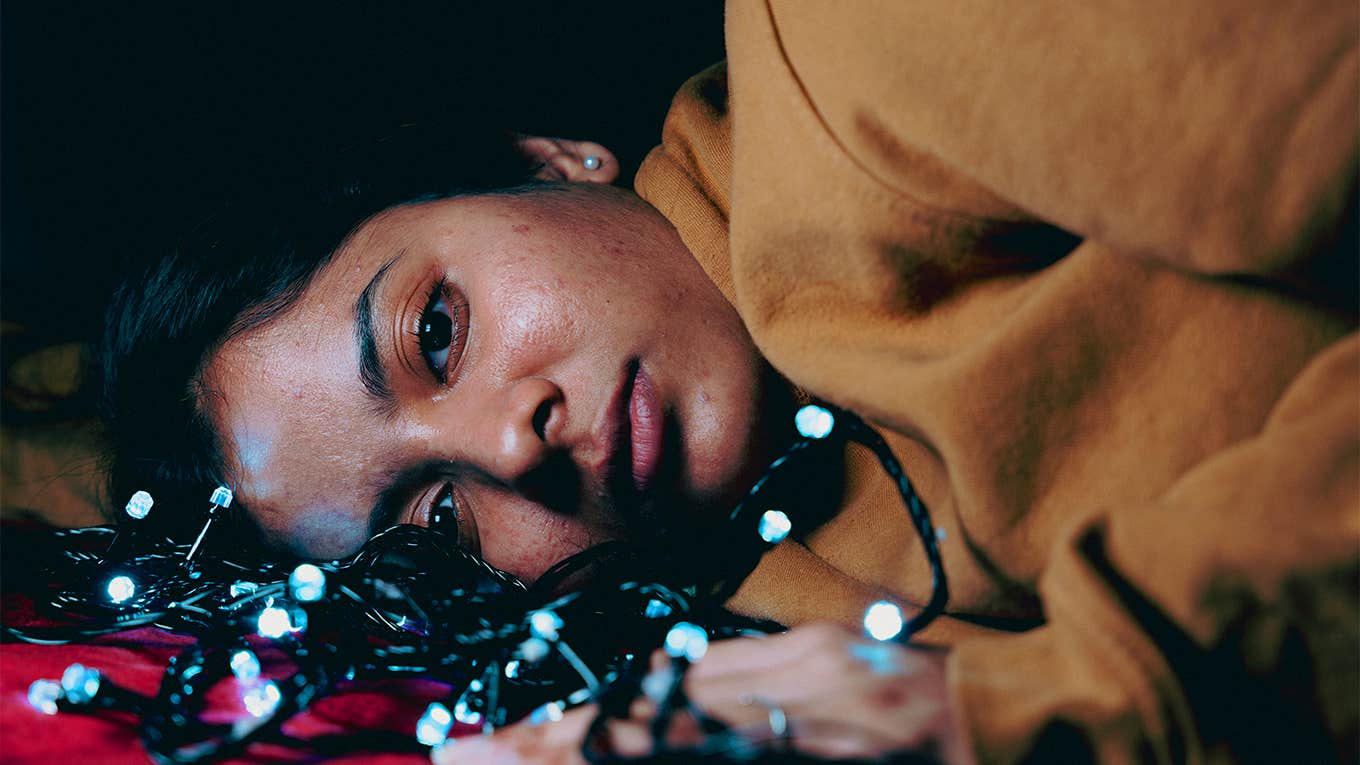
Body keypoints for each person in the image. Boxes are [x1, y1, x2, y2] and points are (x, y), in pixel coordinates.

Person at [102, 2, 1358, 763]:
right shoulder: (749, 644)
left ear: (545, 160)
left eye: (436, 331)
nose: (505, 446)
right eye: (434, 522)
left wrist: (1090, 708)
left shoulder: (854, 60)